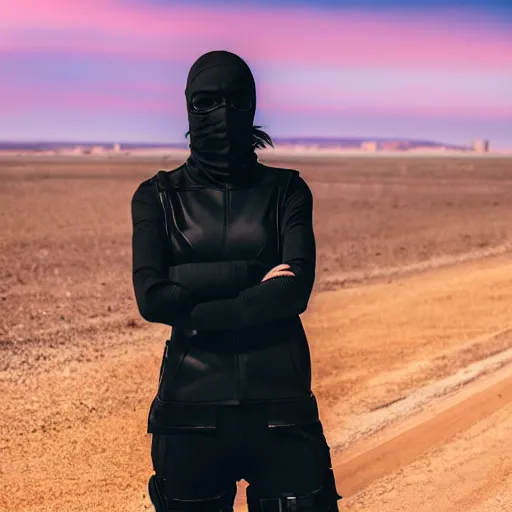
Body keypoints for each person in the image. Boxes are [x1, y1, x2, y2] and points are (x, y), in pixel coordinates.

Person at [131, 50, 342, 512]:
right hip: (192, 419)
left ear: (253, 104)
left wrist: (189, 287)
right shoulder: (157, 196)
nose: (221, 114)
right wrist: (254, 280)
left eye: (234, 100)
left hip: (280, 414)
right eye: (206, 102)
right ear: (188, 107)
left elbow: (294, 290)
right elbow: (151, 297)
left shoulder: (288, 189)